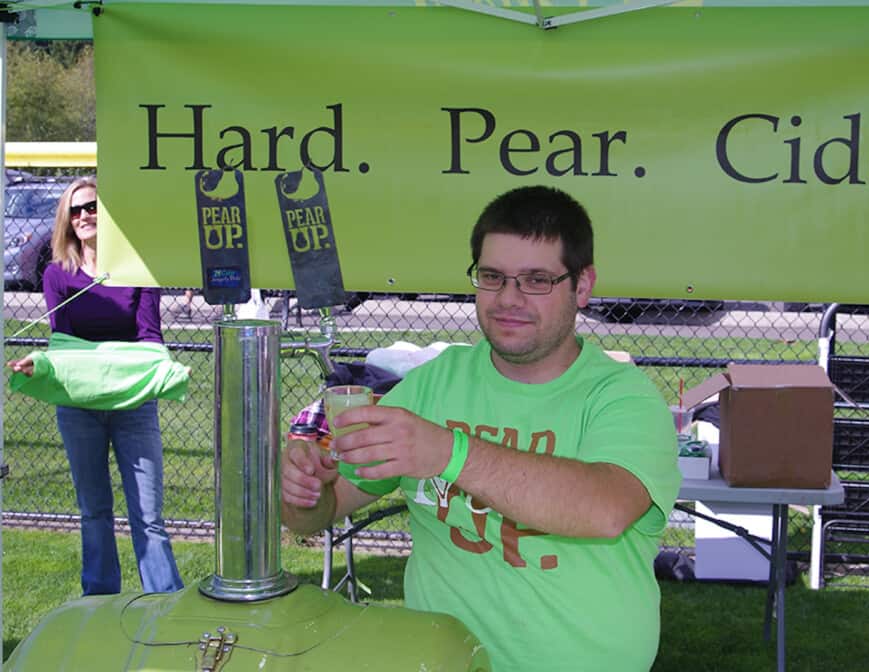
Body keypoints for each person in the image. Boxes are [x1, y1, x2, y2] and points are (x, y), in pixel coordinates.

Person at [282, 185, 680, 671]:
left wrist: (448, 452)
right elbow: (323, 510)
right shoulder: (431, 386)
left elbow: (605, 508)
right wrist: (304, 490)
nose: (508, 298)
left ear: (582, 285)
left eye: (536, 280)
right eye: (492, 277)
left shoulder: (623, 397)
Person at [6, 177, 184, 596]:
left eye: (92, 208)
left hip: (133, 404)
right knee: (94, 510)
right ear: (66, 220)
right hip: (78, 408)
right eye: (76, 210)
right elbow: (63, 344)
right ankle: (99, 599)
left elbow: (148, 336)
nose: (84, 216)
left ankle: (164, 601)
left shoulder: (140, 271)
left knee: (148, 514)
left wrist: (163, 368)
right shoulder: (57, 276)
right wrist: (42, 365)